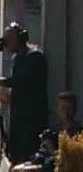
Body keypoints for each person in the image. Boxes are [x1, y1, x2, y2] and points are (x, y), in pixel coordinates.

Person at [4, 92, 83, 172]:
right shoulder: (55, 129)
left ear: (74, 110)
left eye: (69, 109)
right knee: (15, 170)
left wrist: (52, 150)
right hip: (44, 160)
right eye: (62, 108)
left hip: (59, 166)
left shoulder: (78, 132)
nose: (66, 113)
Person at [0, 22, 48, 163]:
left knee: (30, 158)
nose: (7, 43)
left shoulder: (34, 56)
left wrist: (2, 81)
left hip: (32, 119)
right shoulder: (17, 59)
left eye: (9, 39)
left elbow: (22, 81)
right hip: (18, 119)